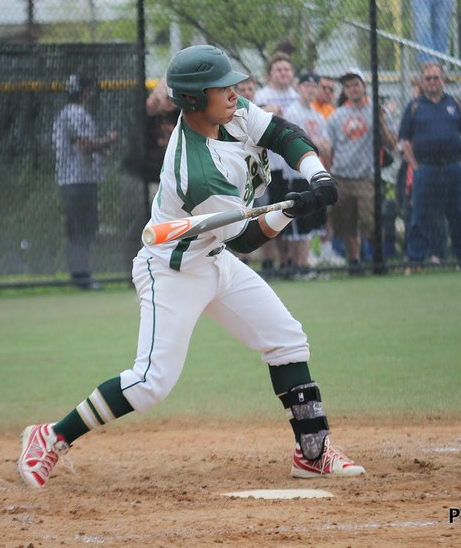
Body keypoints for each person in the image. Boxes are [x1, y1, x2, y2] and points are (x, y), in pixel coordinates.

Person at [18, 45, 365, 487]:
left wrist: (317, 176)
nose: (235, 93)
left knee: (286, 340)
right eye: (223, 88)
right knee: (149, 383)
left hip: (213, 257)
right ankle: (49, 437)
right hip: (173, 269)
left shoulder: (231, 113)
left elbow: (281, 132)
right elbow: (244, 239)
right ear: (196, 100)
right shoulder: (197, 171)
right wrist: (289, 212)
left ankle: (312, 452)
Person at [398, 62, 461, 269]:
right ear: (422, 81)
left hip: (453, 168)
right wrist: (415, 166)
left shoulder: (456, 104)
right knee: (420, 216)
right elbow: (404, 140)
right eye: (428, 78)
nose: (432, 82)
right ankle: (415, 260)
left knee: (459, 213)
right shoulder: (414, 107)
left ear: (443, 80)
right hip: (425, 169)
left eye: (436, 78)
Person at [52, 73, 119, 291]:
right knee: (80, 229)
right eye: (89, 90)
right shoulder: (74, 113)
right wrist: (107, 140)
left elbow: (87, 145)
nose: (92, 94)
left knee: (84, 229)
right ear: (82, 92)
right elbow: (84, 145)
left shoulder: (74, 113)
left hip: (81, 180)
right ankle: (81, 276)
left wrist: (101, 146)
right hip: (77, 181)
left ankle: (81, 274)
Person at [325, 69, 397, 273]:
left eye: (356, 84)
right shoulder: (337, 116)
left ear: (364, 86)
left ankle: (378, 260)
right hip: (341, 175)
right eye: (348, 86)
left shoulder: (377, 111)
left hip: (366, 175)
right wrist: (329, 174)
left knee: (370, 221)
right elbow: (329, 147)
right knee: (348, 222)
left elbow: (392, 143)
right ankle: (355, 262)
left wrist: (381, 121)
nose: (352, 89)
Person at [120, 79, 179, 269]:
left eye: (173, 97)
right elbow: (151, 106)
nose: (168, 101)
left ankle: (163, 268)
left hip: (165, 181)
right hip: (139, 178)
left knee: (168, 226)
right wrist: (160, 91)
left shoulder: (181, 115)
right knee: (138, 225)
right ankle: (133, 270)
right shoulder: (147, 116)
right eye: (166, 97)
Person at [281, 73, 333, 278]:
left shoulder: (317, 115)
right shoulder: (292, 111)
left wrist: (316, 144)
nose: (311, 89)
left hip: (314, 173)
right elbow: (298, 142)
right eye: (306, 85)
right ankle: (298, 265)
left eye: (314, 86)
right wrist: (316, 144)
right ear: (299, 87)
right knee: (298, 221)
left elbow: (326, 145)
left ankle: (303, 264)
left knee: (310, 220)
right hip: (295, 173)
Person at [254, 53, 300, 274]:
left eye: (287, 70)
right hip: (268, 165)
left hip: (290, 167)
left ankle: (288, 261)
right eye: (279, 70)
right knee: (268, 212)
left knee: (288, 213)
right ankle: (268, 260)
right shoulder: (262, 95)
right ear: (271, 73)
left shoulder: (297, 97)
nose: (283, 73)